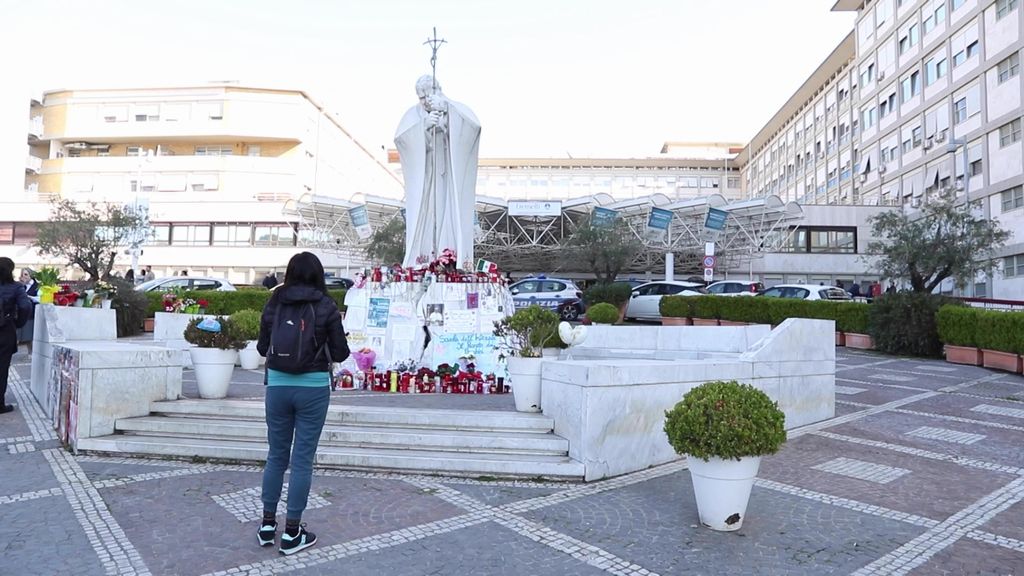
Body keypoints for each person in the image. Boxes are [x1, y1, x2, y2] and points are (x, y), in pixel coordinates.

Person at [256, 252, 348, 555]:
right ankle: (293, 532)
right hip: (313, 389)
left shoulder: (275, 301)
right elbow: (341, 353)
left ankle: (267, 525)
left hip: (278, 386)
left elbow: (262, 347)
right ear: (318, 274)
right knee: (302, 460)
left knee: (276, 455)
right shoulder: (325, 305)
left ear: (290, 273)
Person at [395, 75, 481, 268]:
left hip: (448, 177)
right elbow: (402, 140)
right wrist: (424, 127)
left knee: (449, 213)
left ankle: (451, 258)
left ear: (438, 90)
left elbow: (473, 127)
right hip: (427, 178)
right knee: (428, 214)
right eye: (421, 98)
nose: (426, 101)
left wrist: (447, 114)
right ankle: (423, 259)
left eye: (428, 96)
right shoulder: (412, 115)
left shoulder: (455, 108)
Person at [0, 258, 34, 414]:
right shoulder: (16, 287)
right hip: (5, 330)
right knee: (2, 367)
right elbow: (25, 306)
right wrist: (18, 323)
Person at [16, 268, 38, 352]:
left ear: (31, 275)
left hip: (31, 314)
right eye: (22, 274)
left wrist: (30, 297)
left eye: (26, 274)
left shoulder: (37, 286)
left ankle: (31, 353)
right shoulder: (21, 286)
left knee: (29, 336)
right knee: (17, 335)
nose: (24, 276)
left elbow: (40, 299)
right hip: (20, 313)